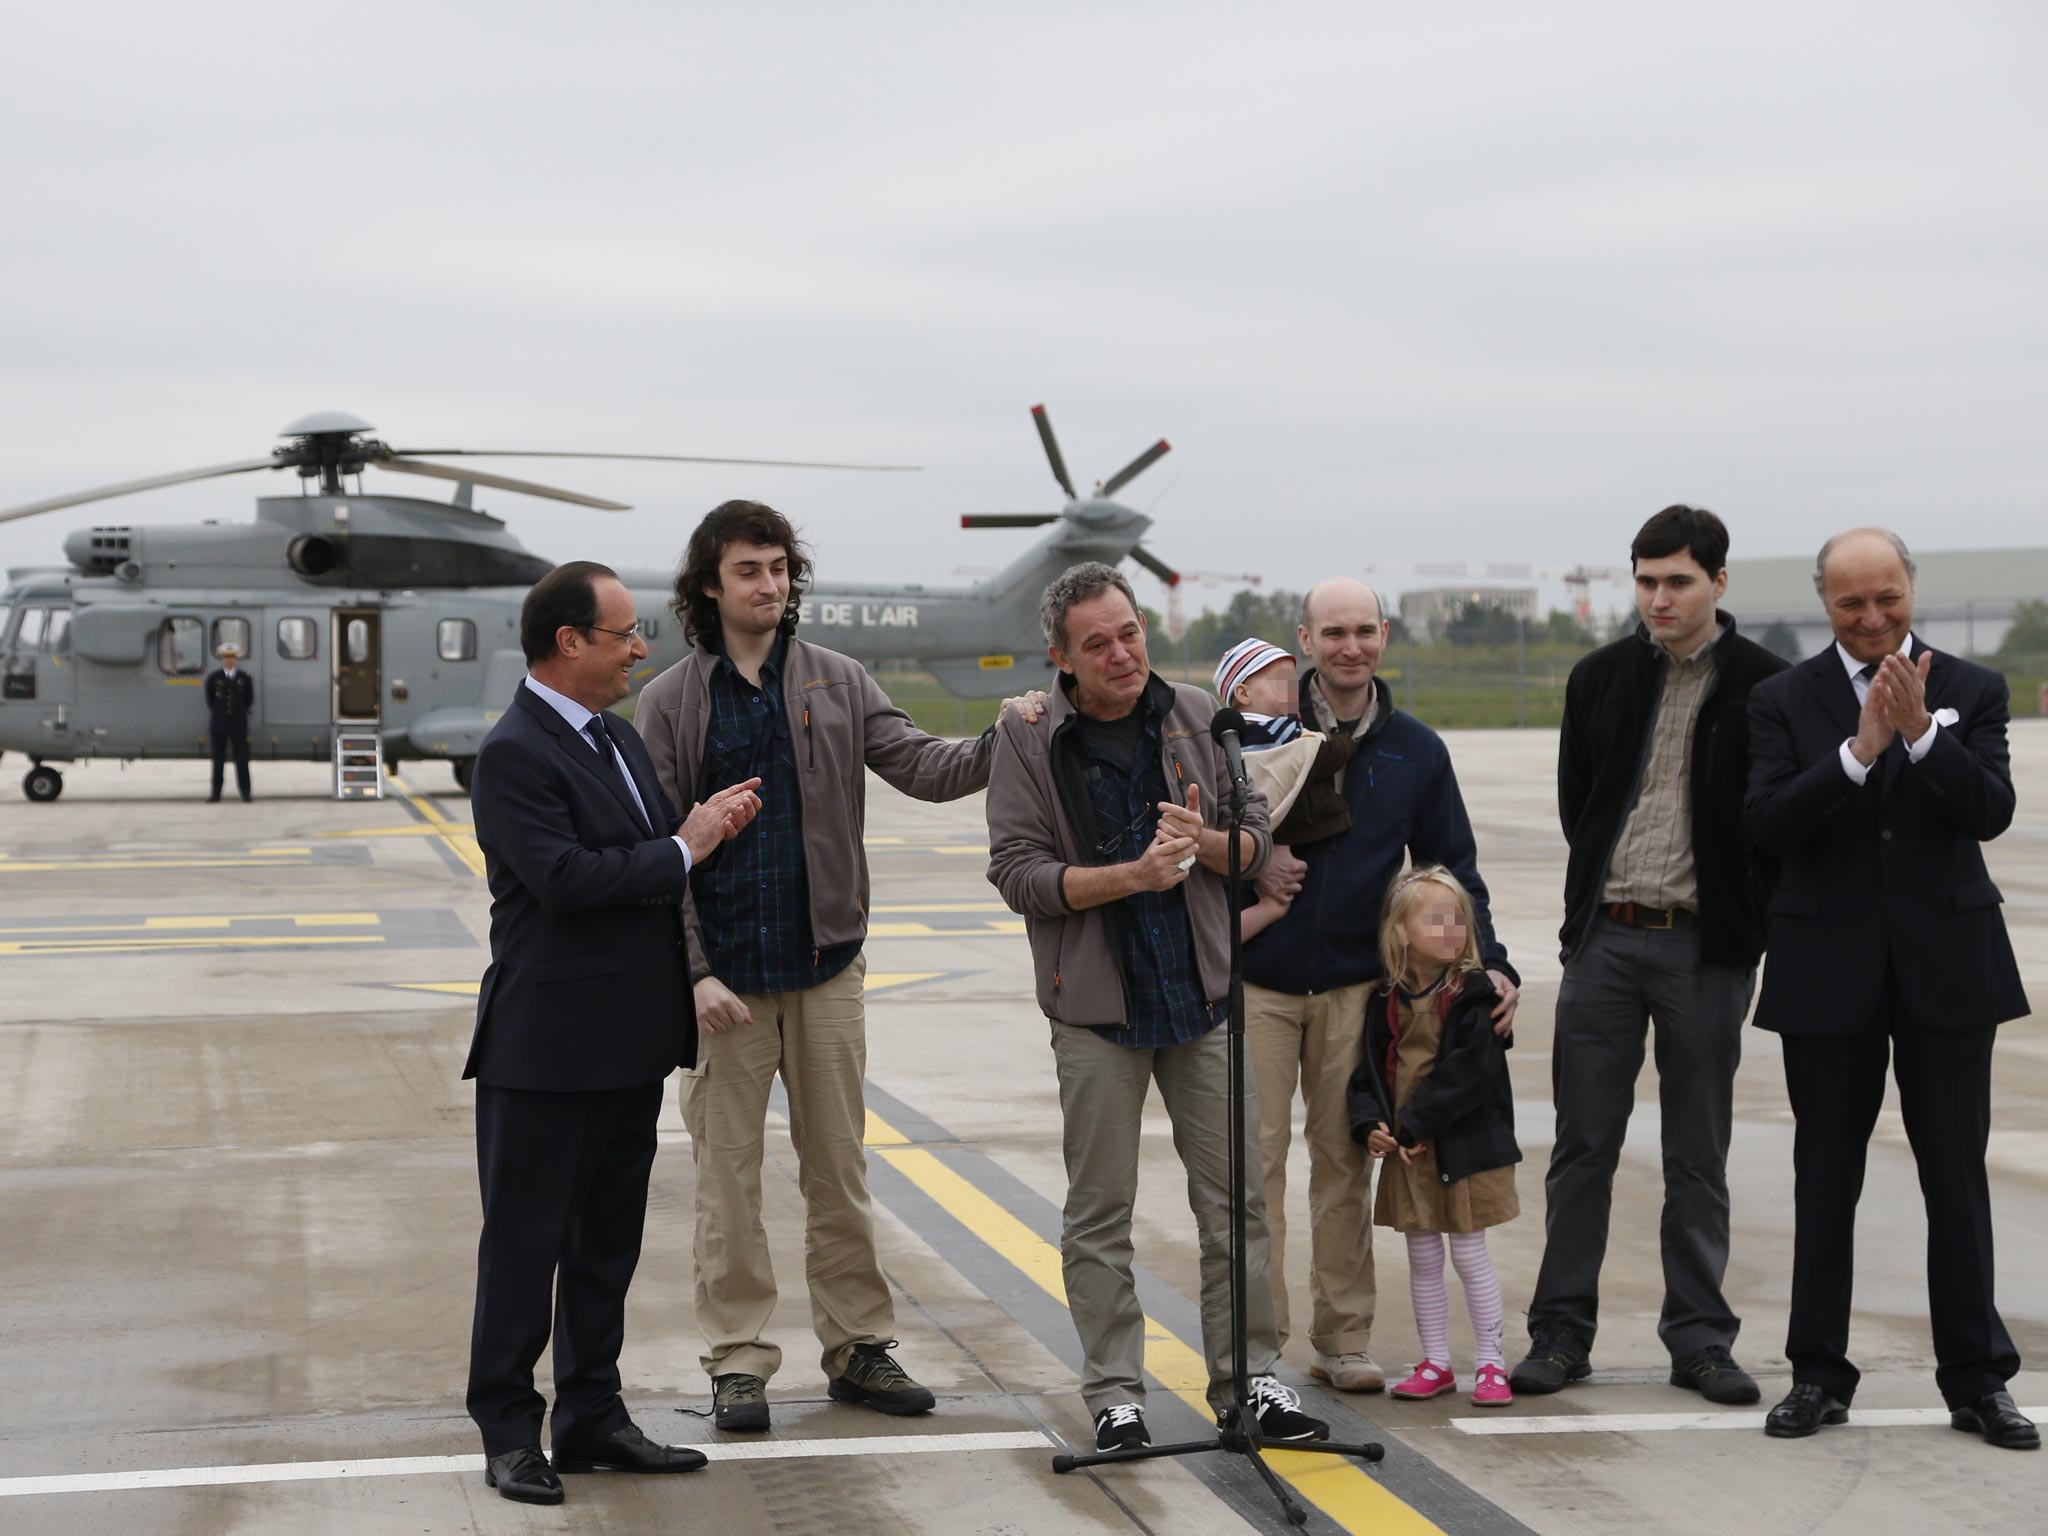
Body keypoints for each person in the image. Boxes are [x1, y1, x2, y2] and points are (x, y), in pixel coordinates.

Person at [636, 500, 1045, 1434]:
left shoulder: (838, 680)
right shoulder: (671, 701)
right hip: (723, 988)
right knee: (726, 1184)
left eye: (780, 568)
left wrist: (1007, 736)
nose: (769, 585)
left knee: (840, 1171)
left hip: (825, 971)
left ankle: (860, 1348)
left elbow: (924, 767)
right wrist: (693, 972)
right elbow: (660, 857)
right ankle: (739, 1363)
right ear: (711, 585)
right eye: (748, 570)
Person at [986, 561, 1329, 1453]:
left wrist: (1205, 842)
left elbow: (1254, 841)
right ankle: (1114, 1393)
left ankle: (1252, 1379)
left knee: (1237, 1207)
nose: (1121, 653)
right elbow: (1017, 873)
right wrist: (1129, 877)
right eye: (1096, 643)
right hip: (1096, 1010)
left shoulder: (1195, 716)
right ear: (1059, 658)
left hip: (1203, 997)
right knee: (1101, 1212)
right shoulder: (1028, 734)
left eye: (1129, 632)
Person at [463, 560, 762, 1506]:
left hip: (628, 1043)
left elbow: (645, 870)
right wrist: (686, 843)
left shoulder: (618, 743)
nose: (642, 650)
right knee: (524, 1250)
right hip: (546, 1050)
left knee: (605, 1247)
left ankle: (592, 1414)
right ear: (568, 644)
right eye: (625, 635)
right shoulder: (514, 752)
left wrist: (698, 830)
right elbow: (565, 878)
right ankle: (510, 1432)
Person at [1747, 527, 2036, 1450]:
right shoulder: (1782, 699)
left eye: (1888, 599)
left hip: (1948, 969)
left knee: (1957, 1178)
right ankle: (1817, 1375)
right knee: (1825, 1180)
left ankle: (1978, 1380)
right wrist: (1857, 752)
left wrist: (1918, 736)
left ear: (1912, 589)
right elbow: (1766, 825)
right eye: (1850, 604)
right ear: (1822, 605)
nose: (1872, 619)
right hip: (1827, 971)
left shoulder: (1970, 689)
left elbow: (1989, 810)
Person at [1512, 506, 1786, 1404]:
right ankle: (1561, 1333)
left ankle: (1700, 1341)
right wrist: (1593, 912)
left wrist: (1744, 916)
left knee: (1696, 1155)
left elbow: (1776, 825)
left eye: (1678, 580)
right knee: (1582, 1145)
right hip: (1607, 943)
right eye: (1646, 580)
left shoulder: (1765, 686)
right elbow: (1578, 805)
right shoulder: (1597, 678)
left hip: (1705, 952)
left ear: (1718, 581)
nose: (1659, 598)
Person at [1242, 578, 1520, 1395]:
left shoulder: (1417, 751)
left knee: (1344, 1164)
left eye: (1364, 630)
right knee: (1252, 1169)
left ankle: (1344, 1339)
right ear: (1305, 637)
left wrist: (1491, 961)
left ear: (1385, 636)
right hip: (1257, 983)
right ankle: (1255, 1347)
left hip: (1360, 994)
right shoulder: (1256, 732)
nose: (1349, 646)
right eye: (1333, 632)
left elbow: (1451, 868)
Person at [1349, 866, 1520, 1407]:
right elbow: (1368, 1073)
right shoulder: (1386, 999)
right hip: (1409, 1151)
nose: (1452, 930)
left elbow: (1470, 1073)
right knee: (1423, 1257)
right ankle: (1437, 1362)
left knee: (1469, 1255)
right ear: (1400, 931)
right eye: (1436, 920)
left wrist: (1416, 1123)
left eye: (1459, 921)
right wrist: (1370, 1124)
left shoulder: (1473, 993)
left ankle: (1492, 1364)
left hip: (1462, 1149)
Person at [204, 641, 255, 802]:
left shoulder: (244, 678)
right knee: (218, 760)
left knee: (242, 759)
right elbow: (210, 700)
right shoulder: (214, 677)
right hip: (219, 724)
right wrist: (220, 714)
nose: (229, 660)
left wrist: (237, 714)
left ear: (236, 659)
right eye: (226, 657)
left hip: (238, 724)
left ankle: (245, 792)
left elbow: (249, 700)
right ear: (221, 659)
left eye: (232, 657)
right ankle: (215, 794)